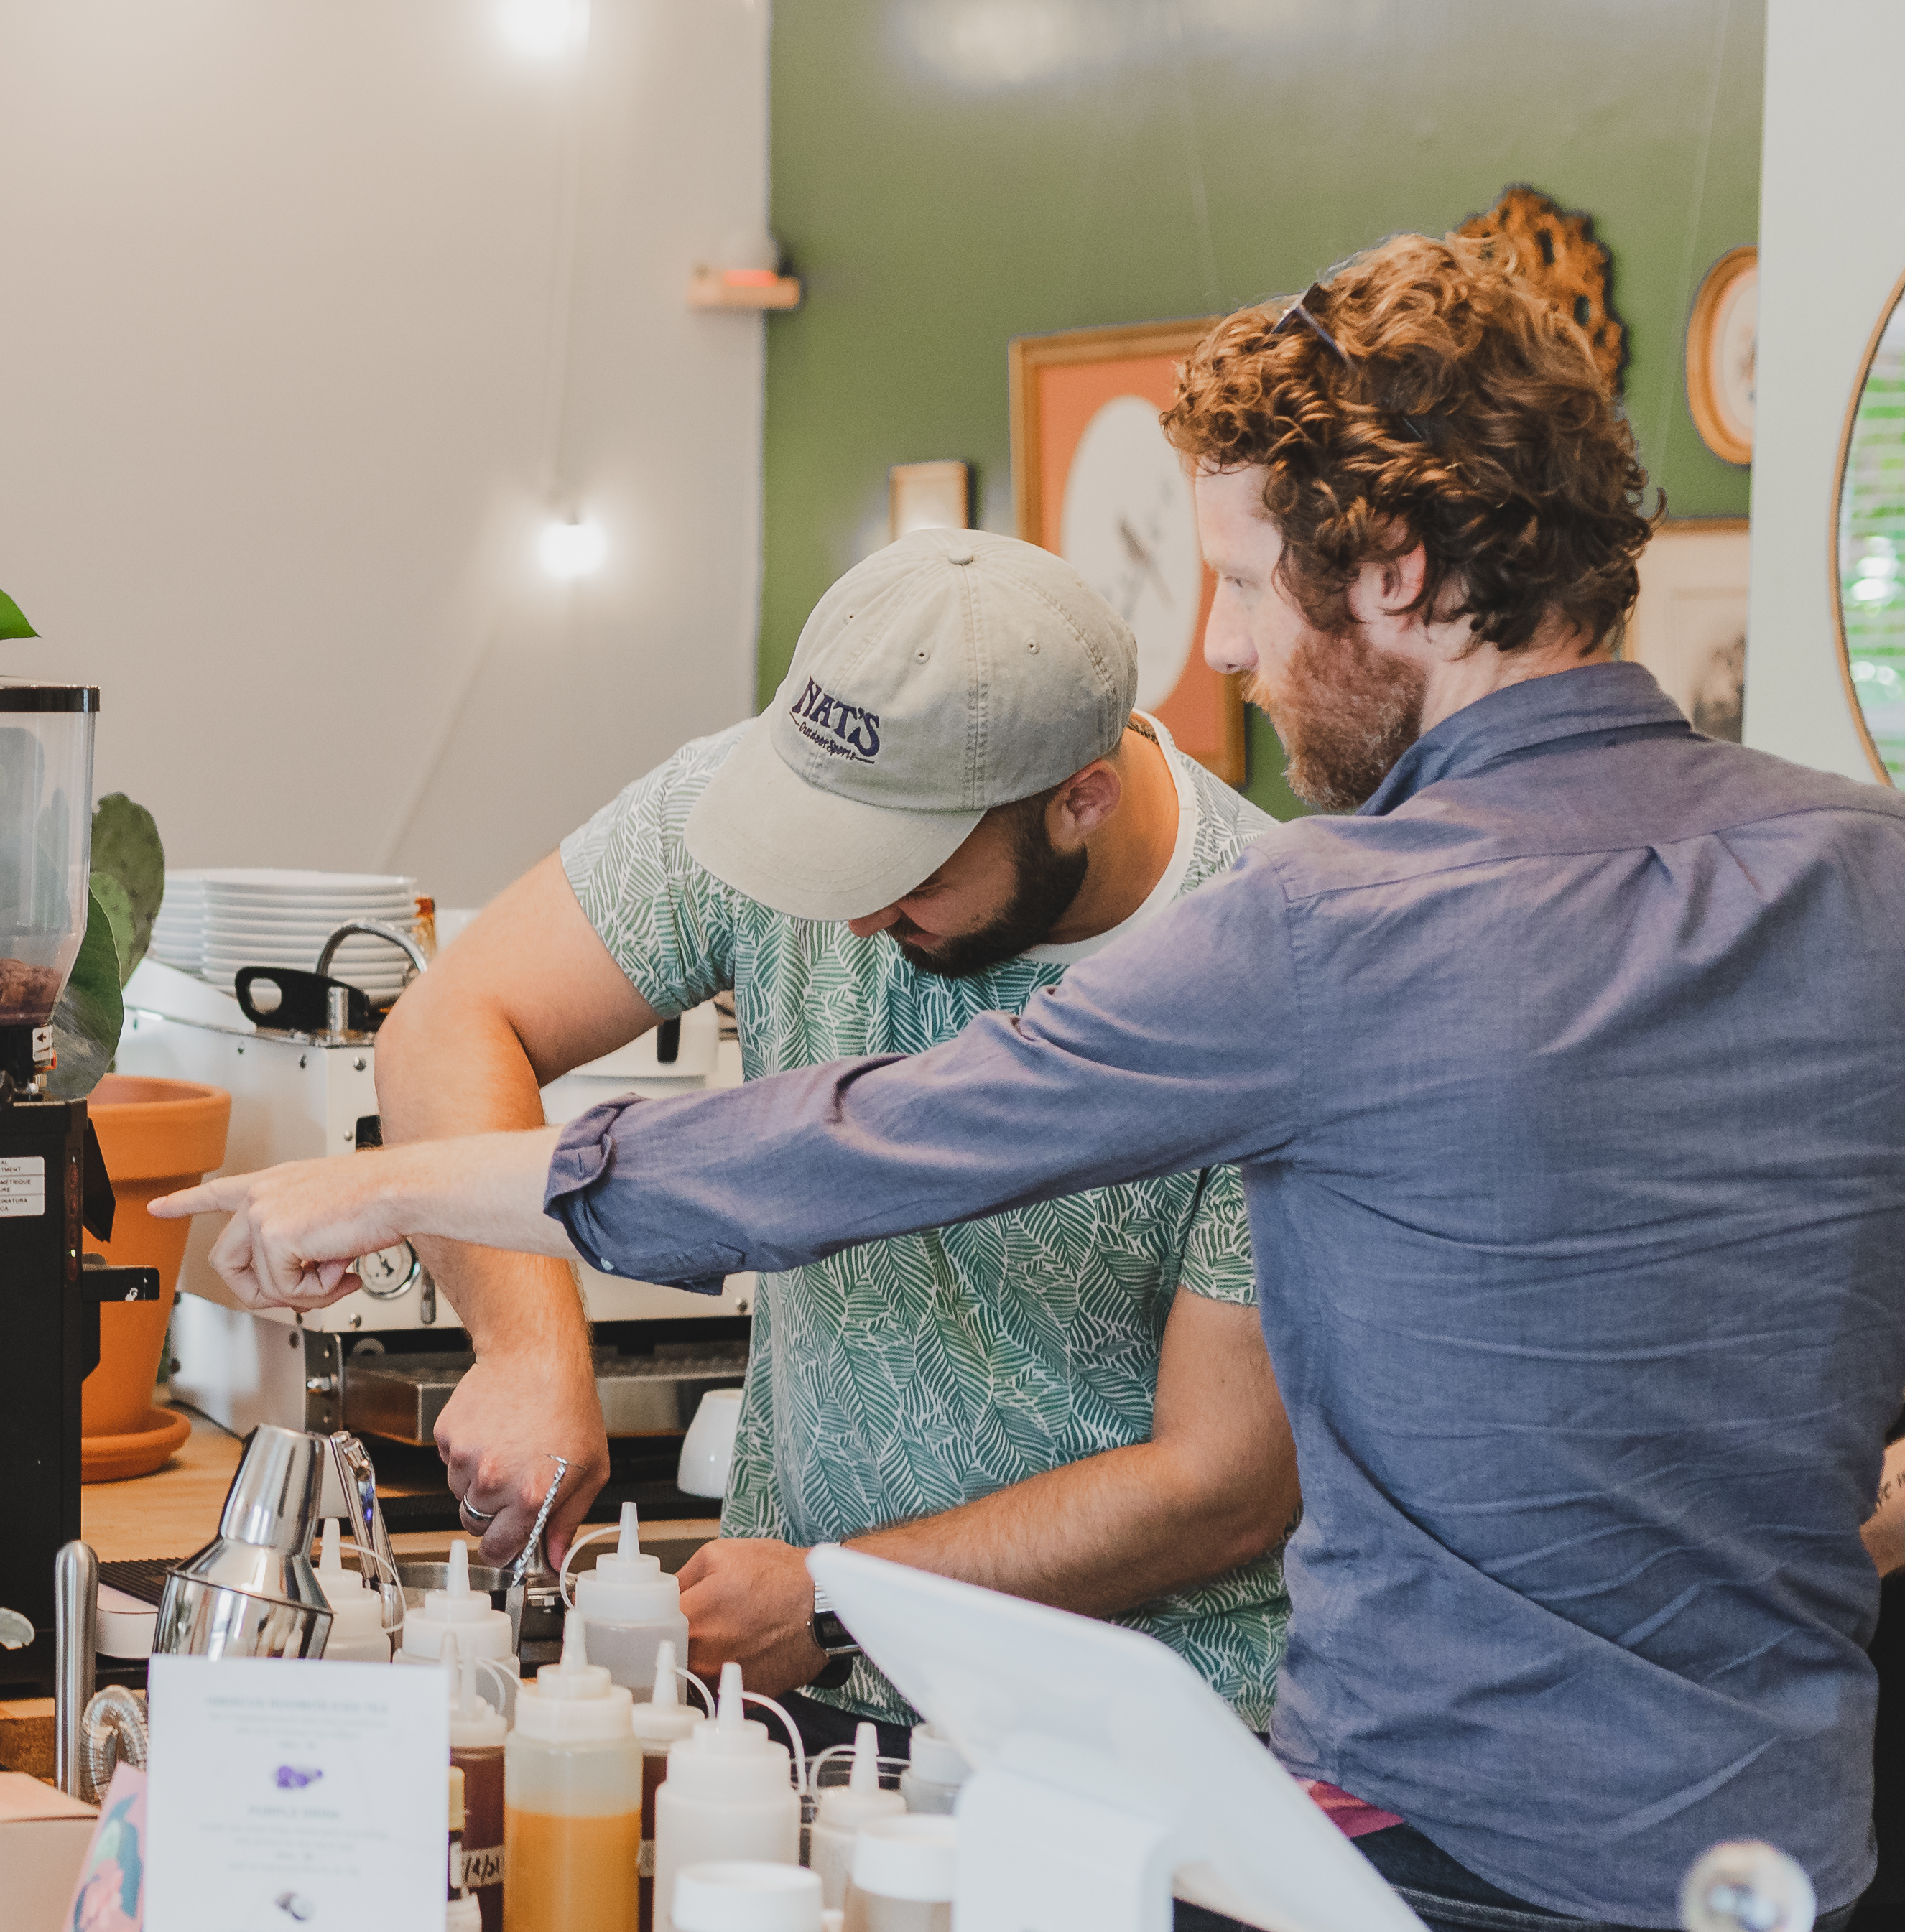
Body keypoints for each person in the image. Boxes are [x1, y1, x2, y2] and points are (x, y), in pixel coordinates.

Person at [159, 231, 1905, 1932]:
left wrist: (390, 1192)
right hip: (1781, 1885)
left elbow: (877, 1138)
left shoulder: (1331, 925)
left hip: (1419, 1893)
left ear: (1390, 572)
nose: (1223, 646)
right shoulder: (1864, 877)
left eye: (1244, 585)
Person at [378, 527, 1299, 1768]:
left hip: (1130, 1737)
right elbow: (450, 1020)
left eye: (905, 869)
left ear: (1082, 797)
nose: (852, 913)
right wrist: (529, 1345)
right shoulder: (795, 792)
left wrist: (838, 1593)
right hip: (793, 1699)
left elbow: (1225, 1482)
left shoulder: (1276, 959)